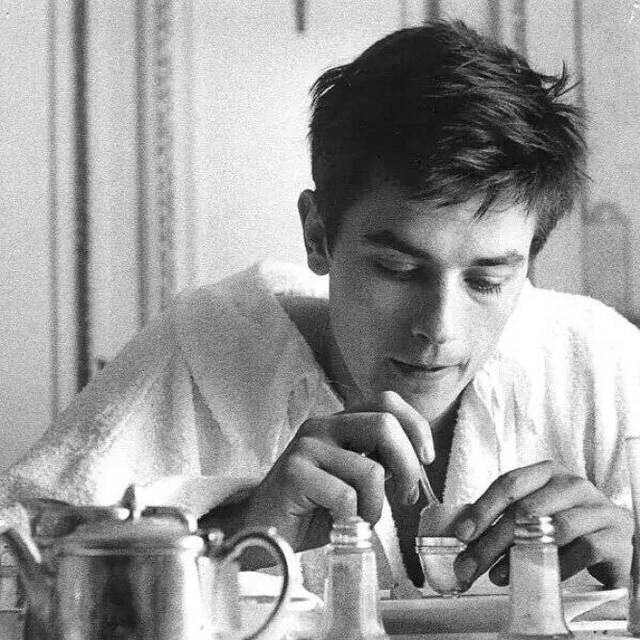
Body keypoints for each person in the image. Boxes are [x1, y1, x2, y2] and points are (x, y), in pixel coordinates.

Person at [1, 20, 638, 596]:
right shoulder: (203, 347)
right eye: (398, 269)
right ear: (317, 235)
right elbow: (15, 563)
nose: (439, 329)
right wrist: (239, 539)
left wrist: (634, 569)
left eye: (488, 280)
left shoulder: (600, 362)